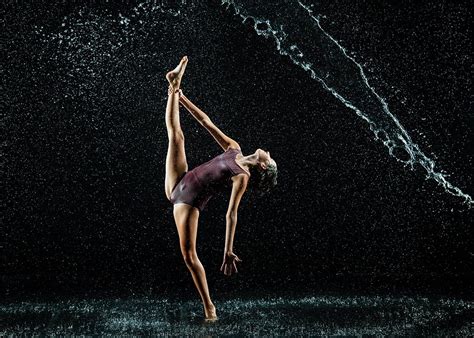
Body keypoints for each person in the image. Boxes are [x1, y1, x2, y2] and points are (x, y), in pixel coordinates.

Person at [164, 56, 278, 321]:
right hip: (180, 179)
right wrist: (182, 99)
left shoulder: (243, 175)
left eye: (270, 158)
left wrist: (228, 249)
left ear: (263, 167)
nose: (268, 152)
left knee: (189, 255)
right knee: (176, 135)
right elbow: (206, 122)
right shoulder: (234, 148)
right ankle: (174, 86)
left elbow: (231, 214)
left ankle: (209, 308)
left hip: (188, 201)